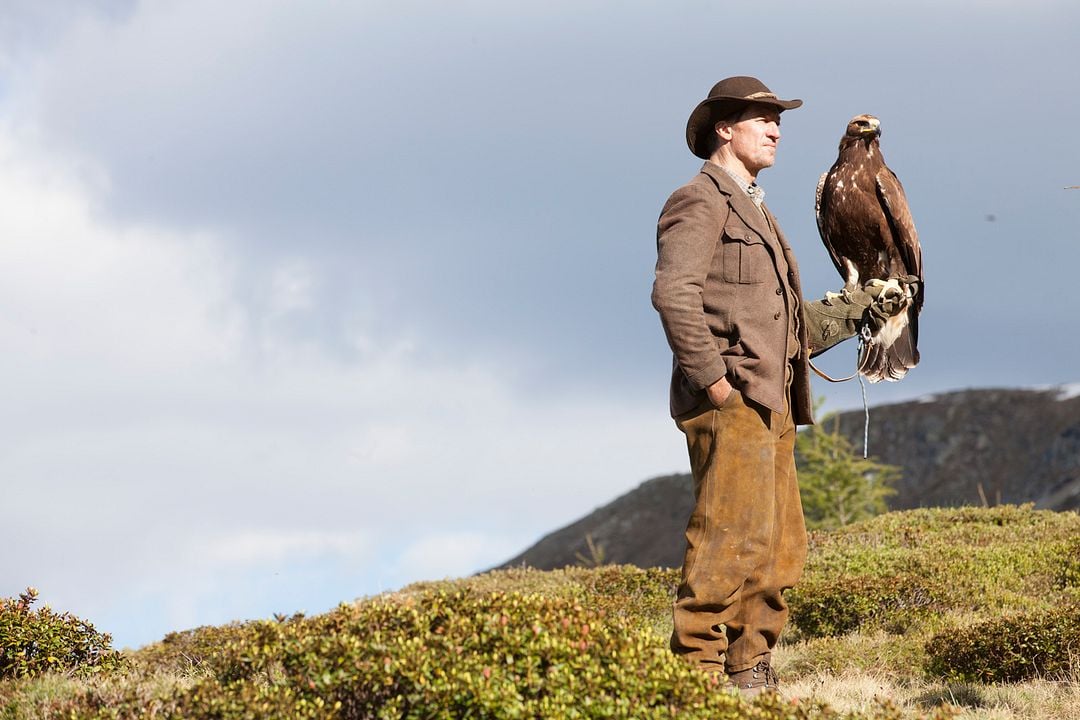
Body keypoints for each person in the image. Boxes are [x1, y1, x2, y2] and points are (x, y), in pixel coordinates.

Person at [651, 76, 904, 696]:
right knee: (727, 541)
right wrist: (714, 383)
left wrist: (857, 312)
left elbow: (781, 324)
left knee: (780, 549)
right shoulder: (700, 199)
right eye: (762, 119)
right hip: (734, 399)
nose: (775, 131)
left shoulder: (757, 206)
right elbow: (672, 294)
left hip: (774, 401)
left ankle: (748, 669)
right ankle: (696, 679)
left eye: (779, 121)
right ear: (724, 129)